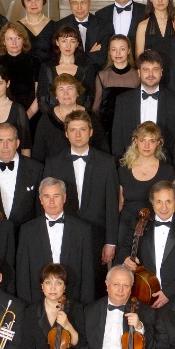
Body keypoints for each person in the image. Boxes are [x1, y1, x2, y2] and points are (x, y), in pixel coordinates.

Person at [42, 110, 119, 271]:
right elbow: (46, 204)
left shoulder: (107, 162)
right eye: (73, 130)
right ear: (66, 133)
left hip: (96, 236)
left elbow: (112, 204)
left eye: (82, 129)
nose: (78, 135)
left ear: (90, 132)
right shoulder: (53, 163)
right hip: (63, 235)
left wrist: (110, 242)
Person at [121, 181, 175, 308]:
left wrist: (169, 293)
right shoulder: (140, 221)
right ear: (152, 203)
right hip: (143, 295)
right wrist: (126, 258)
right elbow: (124, 248)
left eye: (168, 202)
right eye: (159, 202)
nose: (164, 208)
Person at [16, 177, 96, 304]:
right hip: (38, 303)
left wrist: (85, 307)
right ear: (41, 200)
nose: (51, 202)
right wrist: (26, 307)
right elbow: (23, 274)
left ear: (64, 198)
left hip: (73, 301)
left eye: (56, 196)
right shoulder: (27, 230)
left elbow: (87, 274)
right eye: (47, 196)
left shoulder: (82, 229)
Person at [110, 50, 175, 165]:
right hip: (131, 164)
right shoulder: (123, 100)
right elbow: (117, 138)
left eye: (155, 69)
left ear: (161, 72)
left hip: (165, 165)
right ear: (139, 72)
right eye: (146, 69)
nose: (150, 74)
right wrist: (119, 167)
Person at [0, 123, 44, 235]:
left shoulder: (36, 169)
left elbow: (40, 209)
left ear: (17, 143)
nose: (5, 146)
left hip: (27, 236)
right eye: (0, 141)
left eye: (9, 140)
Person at [115, 121, 175, 250]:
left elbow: (172, 204)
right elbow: (119, 205)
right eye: (142, 140)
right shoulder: (123, 170)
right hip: (125, 228)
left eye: (152, 141)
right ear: (135, 141)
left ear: (159, 143)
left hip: (156, 227)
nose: (147, 145)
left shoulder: (167, 170)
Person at [33, 73, 108, 162]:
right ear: (55, 94)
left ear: (78, 92)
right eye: (61, 89)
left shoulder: (92, 118)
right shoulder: (46, 120)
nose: (66, 93)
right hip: (54, 169)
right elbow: (38, 154)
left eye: (70, 88)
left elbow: (103, 151)